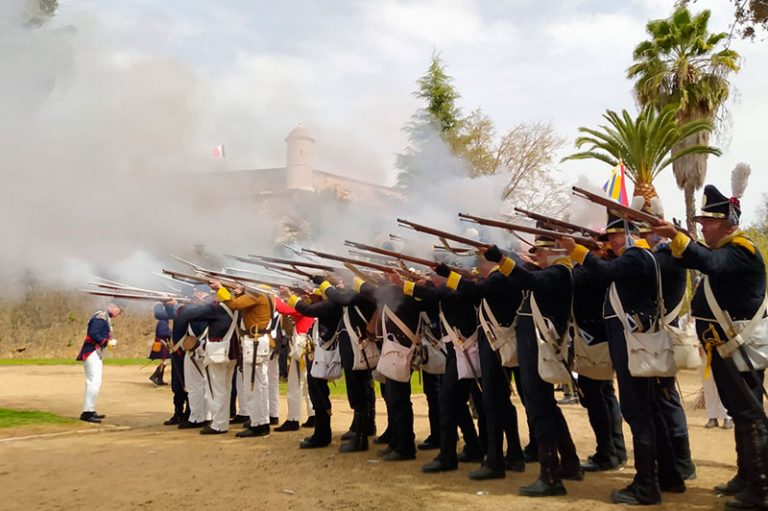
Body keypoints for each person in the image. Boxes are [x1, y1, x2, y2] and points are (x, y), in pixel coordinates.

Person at [653, 174, 768, 511]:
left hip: (739, 345)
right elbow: (696, 257)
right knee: (739, 412)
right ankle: (746, 476)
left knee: (749, 415)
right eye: (701, 221)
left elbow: (709, 262)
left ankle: (761, 489)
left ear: (727, 224)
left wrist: (677, 237)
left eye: (708, 221)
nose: (702, 227)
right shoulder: (725, 249)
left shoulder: (741, 250)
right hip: (724, 345)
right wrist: (678, 240)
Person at [563, 211, 685, 505]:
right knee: (650, 411)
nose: (611, 242)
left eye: (615, 236)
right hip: (634, 346)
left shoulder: (636, 256)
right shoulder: (639, 258)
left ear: (631, 234)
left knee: (638, 414)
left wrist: (575, 250)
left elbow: (604, 272)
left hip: (633, 348)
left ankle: (646, 485)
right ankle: (669, 476)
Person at [485, 238, 583, 497]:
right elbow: (527, 275)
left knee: (540, 409)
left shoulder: (560, 272)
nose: (536, 254)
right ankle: (570, 462)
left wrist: (500, 259)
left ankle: (550, 476)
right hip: (533, 350)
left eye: (541, 250)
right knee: (546, 407)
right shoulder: (548, 272)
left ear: (557, 251)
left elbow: (531, 281)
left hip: (540, 349)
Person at [211, 279, 275, 438]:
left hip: (255, 343)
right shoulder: (265, 293)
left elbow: (233, 305)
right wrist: (240, 291)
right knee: (259, 385)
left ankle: (258, 424)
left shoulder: (256, 293)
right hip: (258, 342)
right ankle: (261, 421)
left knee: (253, 385)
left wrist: (220, 289)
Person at [76, 300, 124, 423]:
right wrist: (106, 342)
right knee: (94, 382)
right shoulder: (101, 317)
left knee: (94, 382)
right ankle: (87, 412)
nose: (120, 313)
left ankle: (90, 409)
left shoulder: (104, 317)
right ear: (113, 307)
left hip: (94, 352)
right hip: (92, 351)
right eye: (120, 309)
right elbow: (93, 333)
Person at [274, 296, 315, 432]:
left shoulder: (304, 308)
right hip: (307, 349)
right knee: (308, 385)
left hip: (301, 348)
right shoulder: (313, 308)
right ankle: (313, 415)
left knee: (294, 385)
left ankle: (293, 418)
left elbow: (282, 308)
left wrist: (273, 296)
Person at [147, 318, 171, 386]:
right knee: (164, 362)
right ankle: (154, 376)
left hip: (163, 344)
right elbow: (163, 333)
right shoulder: (162, 322)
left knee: (164, 362)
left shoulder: (162, 322)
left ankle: (160, 379)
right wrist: (171, 333)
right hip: (162, 344)